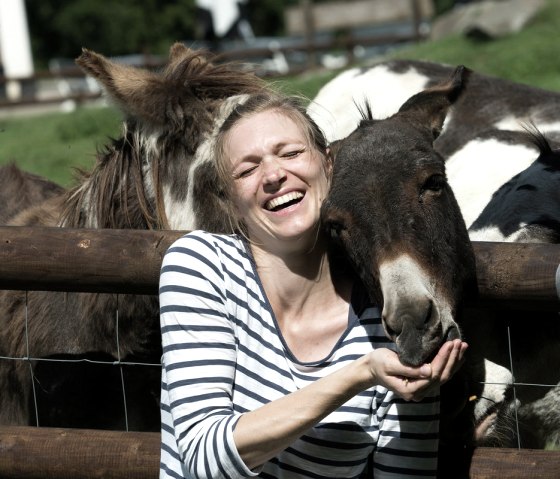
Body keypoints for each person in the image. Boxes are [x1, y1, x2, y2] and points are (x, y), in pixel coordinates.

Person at [159, 92, 468, 478]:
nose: (273, 176)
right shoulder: (201, 266)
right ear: (230, 199)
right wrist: (361, 375)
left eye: (289, 154)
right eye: (246, 170)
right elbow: (205, 460)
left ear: (328, 163)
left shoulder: (391, 318)